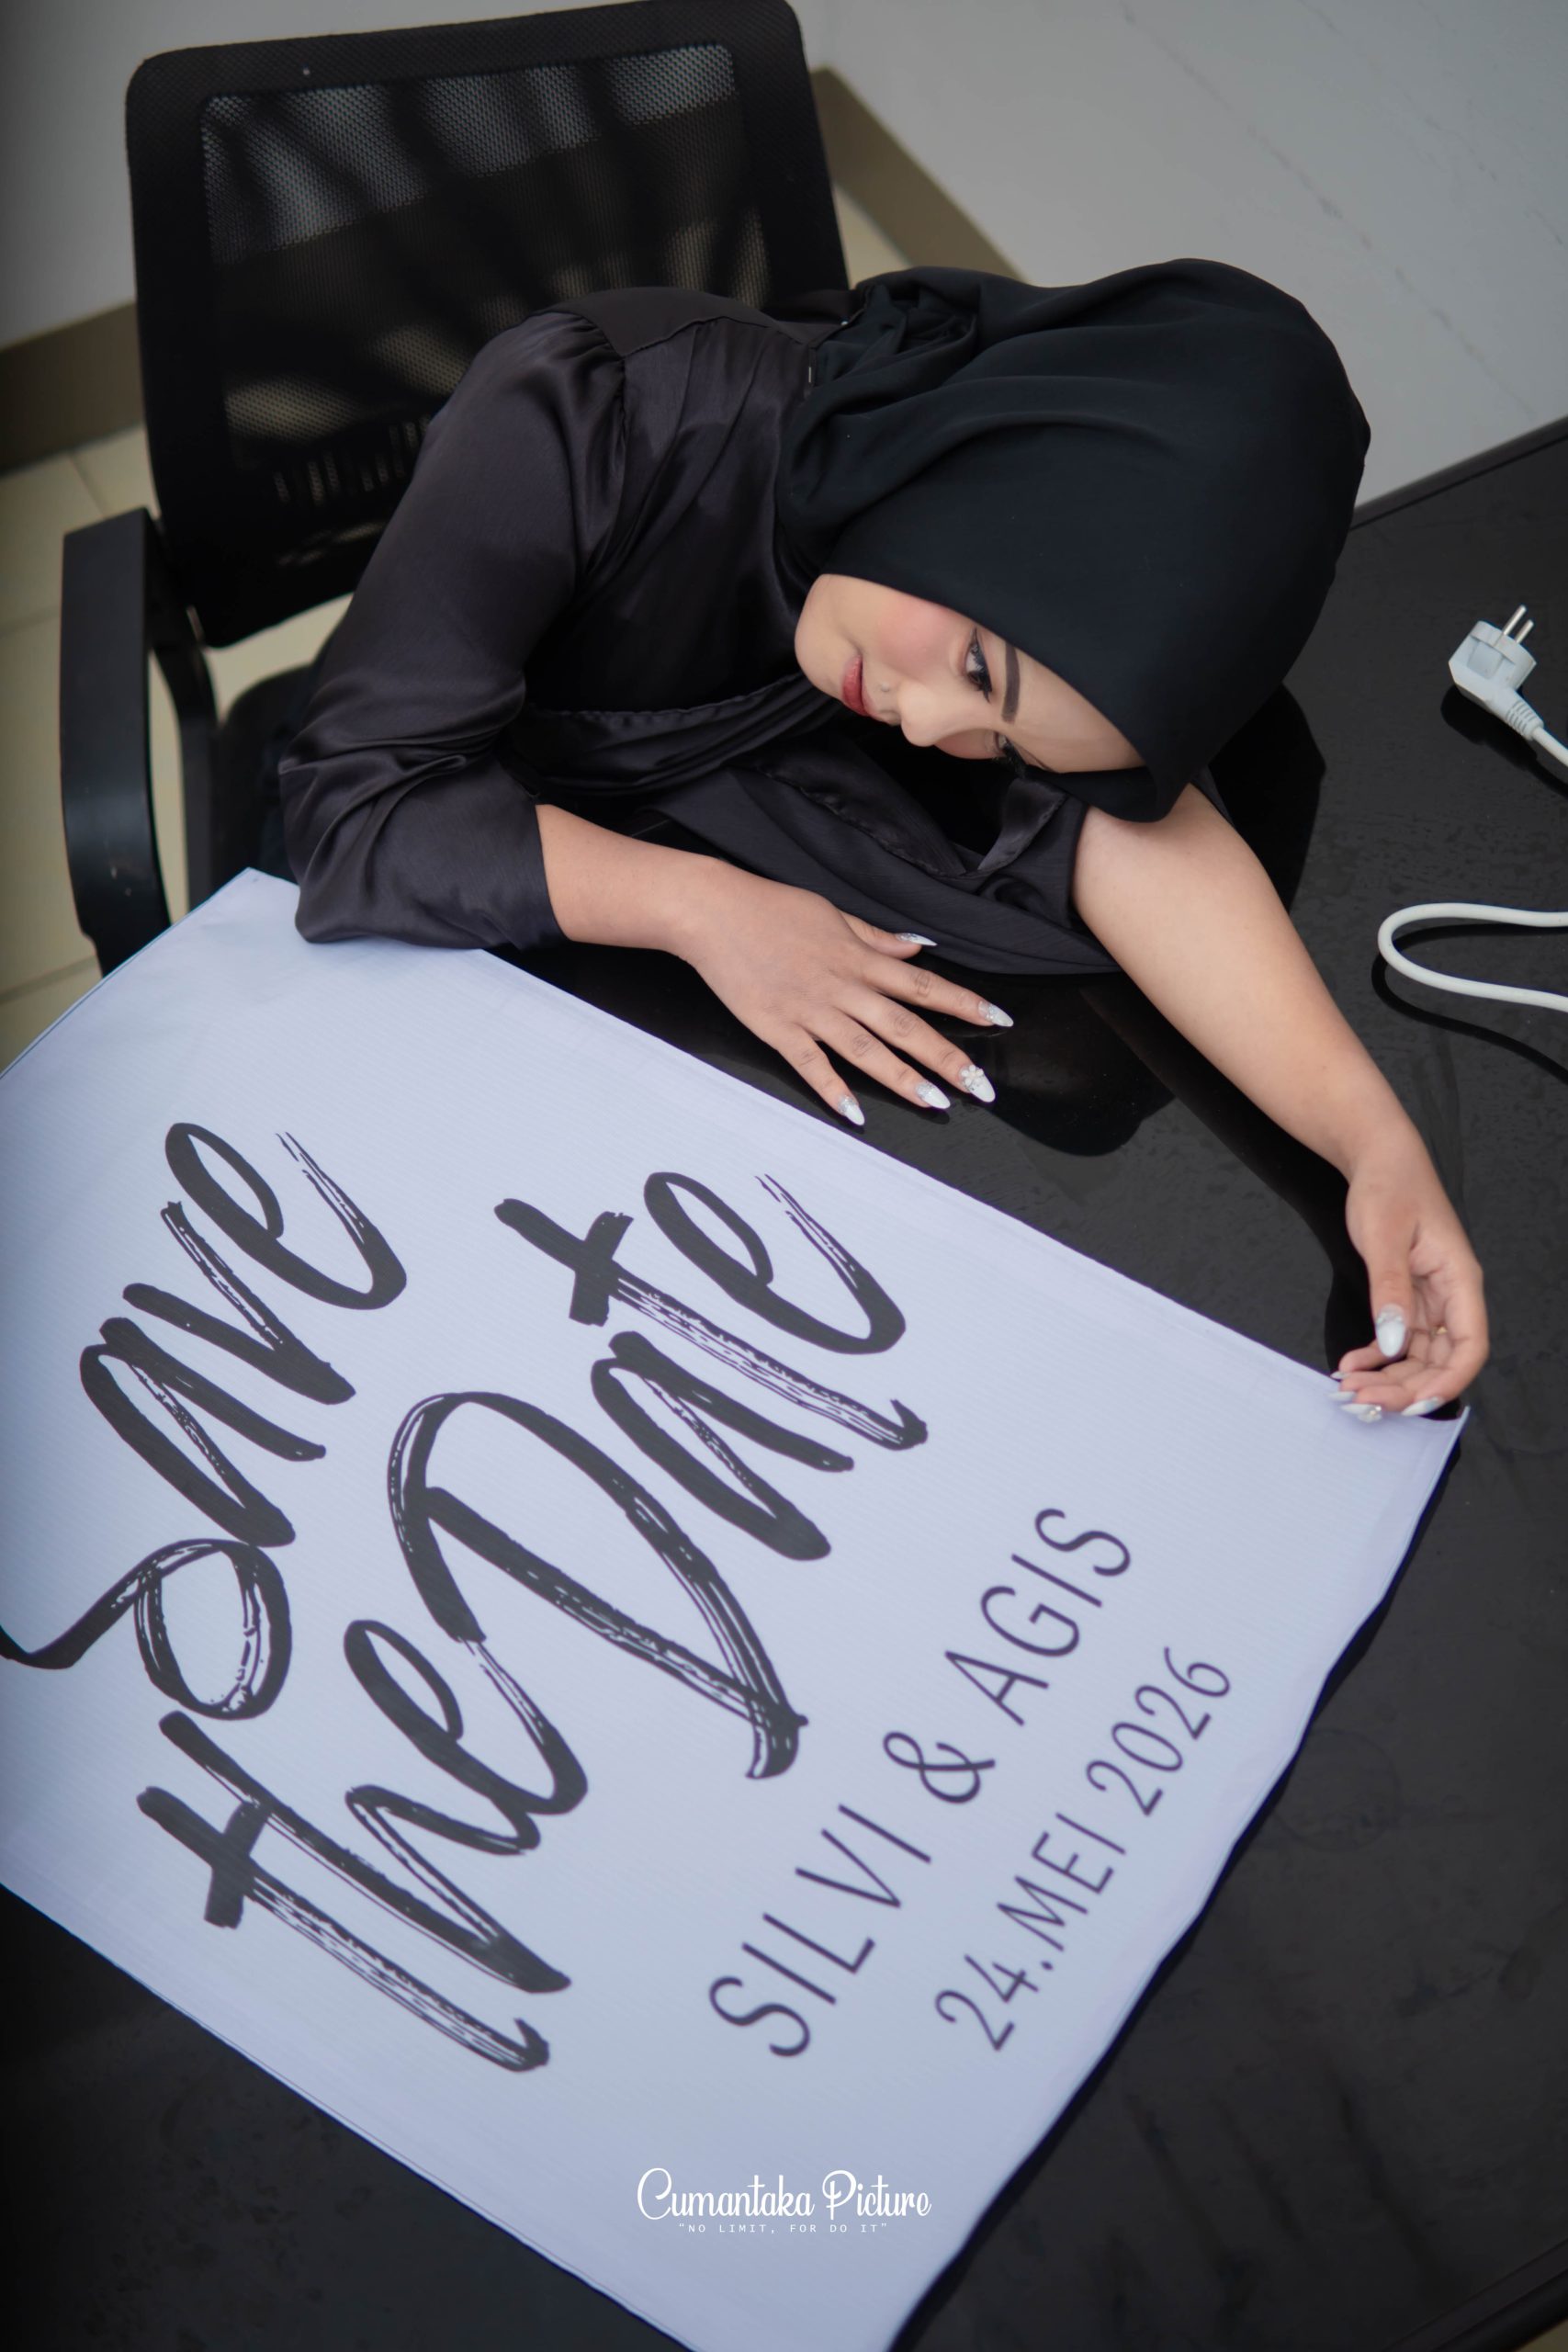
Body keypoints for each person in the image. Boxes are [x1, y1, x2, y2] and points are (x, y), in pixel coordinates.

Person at [277, 258, 1488, 1421]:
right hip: (446, 870)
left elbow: (1133, 830)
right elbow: (354, 812)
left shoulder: (932, 581)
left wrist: (1372, 1144)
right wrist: (705, 910)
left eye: (999, 737)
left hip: (673, 948)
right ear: (973, 492)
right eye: (981, 671)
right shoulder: (585, 412)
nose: (928, 724)